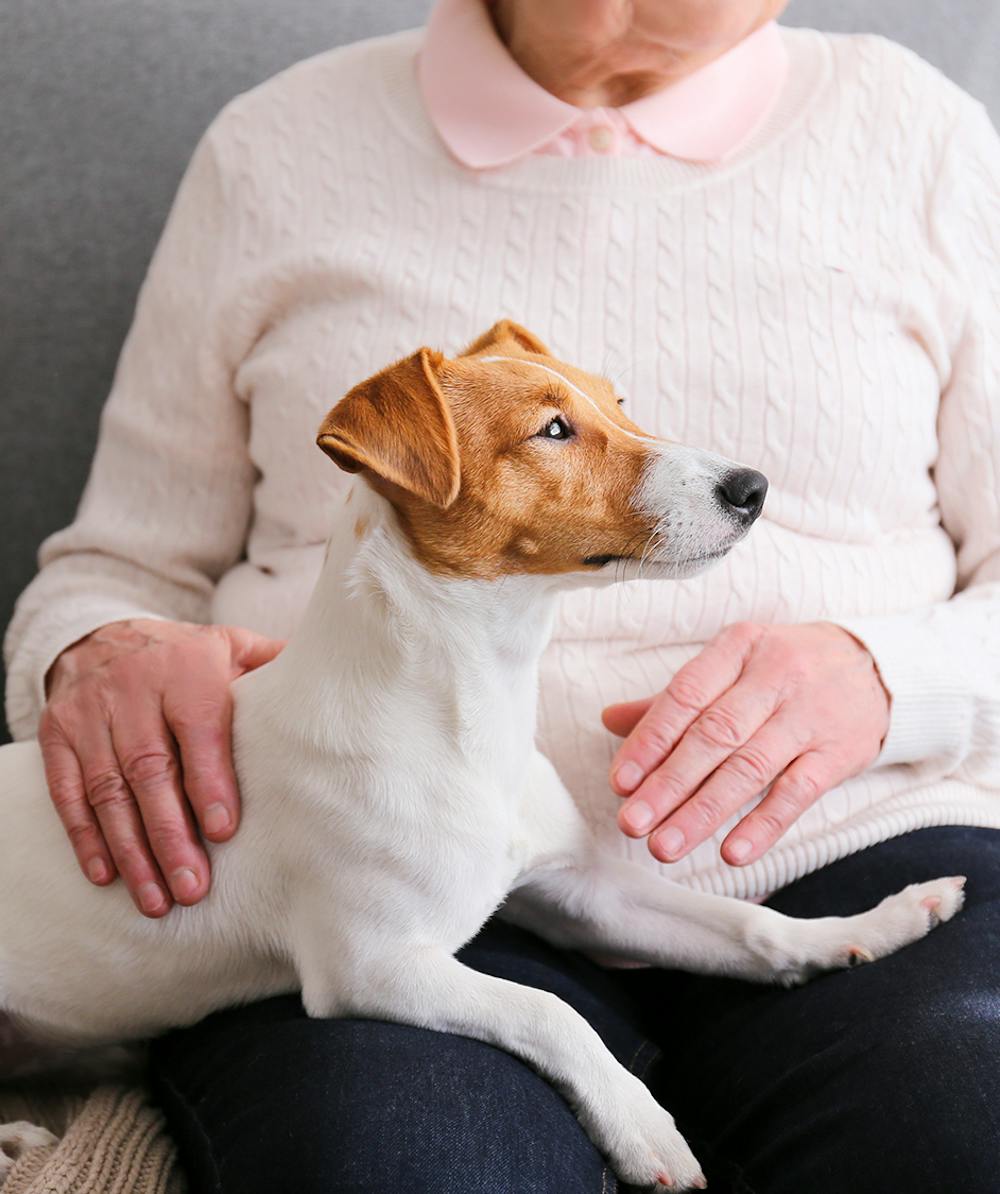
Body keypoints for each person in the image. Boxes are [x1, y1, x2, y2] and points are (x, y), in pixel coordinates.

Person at [5, 0, 1000, 1189]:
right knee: (393, 1169)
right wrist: (105, 649)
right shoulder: (273, 148)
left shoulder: (918, 133)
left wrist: (894, 679)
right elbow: (117, 564)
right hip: (346, 870)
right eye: (562, 431)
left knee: (962, 1127)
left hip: (855, 838)